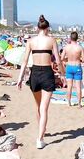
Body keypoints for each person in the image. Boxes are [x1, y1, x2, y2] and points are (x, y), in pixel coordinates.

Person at [17, 15, 64, 149]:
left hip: (35, 73)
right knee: (44, 108)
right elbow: (58, 60)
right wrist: (62, 74)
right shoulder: (52, 40)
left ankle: (40, 131)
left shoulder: (31, 41)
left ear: (37, 28)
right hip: (47, 73)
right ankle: (40, 138)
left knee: (38, 107)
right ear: (48, 28)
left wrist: (20, 78)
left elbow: (25, 61)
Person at [61, 32, 84, 107]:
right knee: (78, 86)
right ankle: (79, 104)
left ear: (70, 38)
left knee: (69, 86)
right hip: (77, 66)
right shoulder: (80, 47)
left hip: (69, 66)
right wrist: (79, 58)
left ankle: (68, 103)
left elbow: (61, 58)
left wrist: (67, 59)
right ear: (77, 38)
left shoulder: (66, 47)